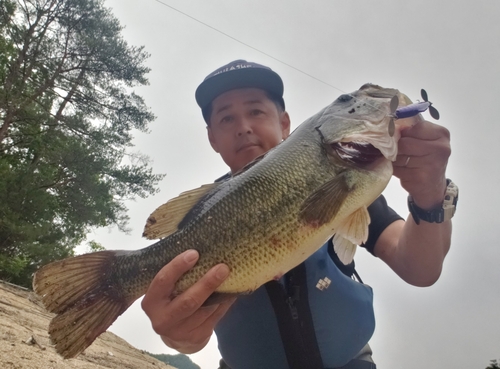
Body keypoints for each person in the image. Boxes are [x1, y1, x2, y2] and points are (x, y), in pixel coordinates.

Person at [141, 60, 456, 369]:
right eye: (226, 119)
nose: (244, 127)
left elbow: (420, 270)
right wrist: (180, 338)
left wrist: (431, 197)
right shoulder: (203, 216)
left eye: (256, 111)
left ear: (285, 123)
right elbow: (184, 330)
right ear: (212, 138)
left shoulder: (351, 186)